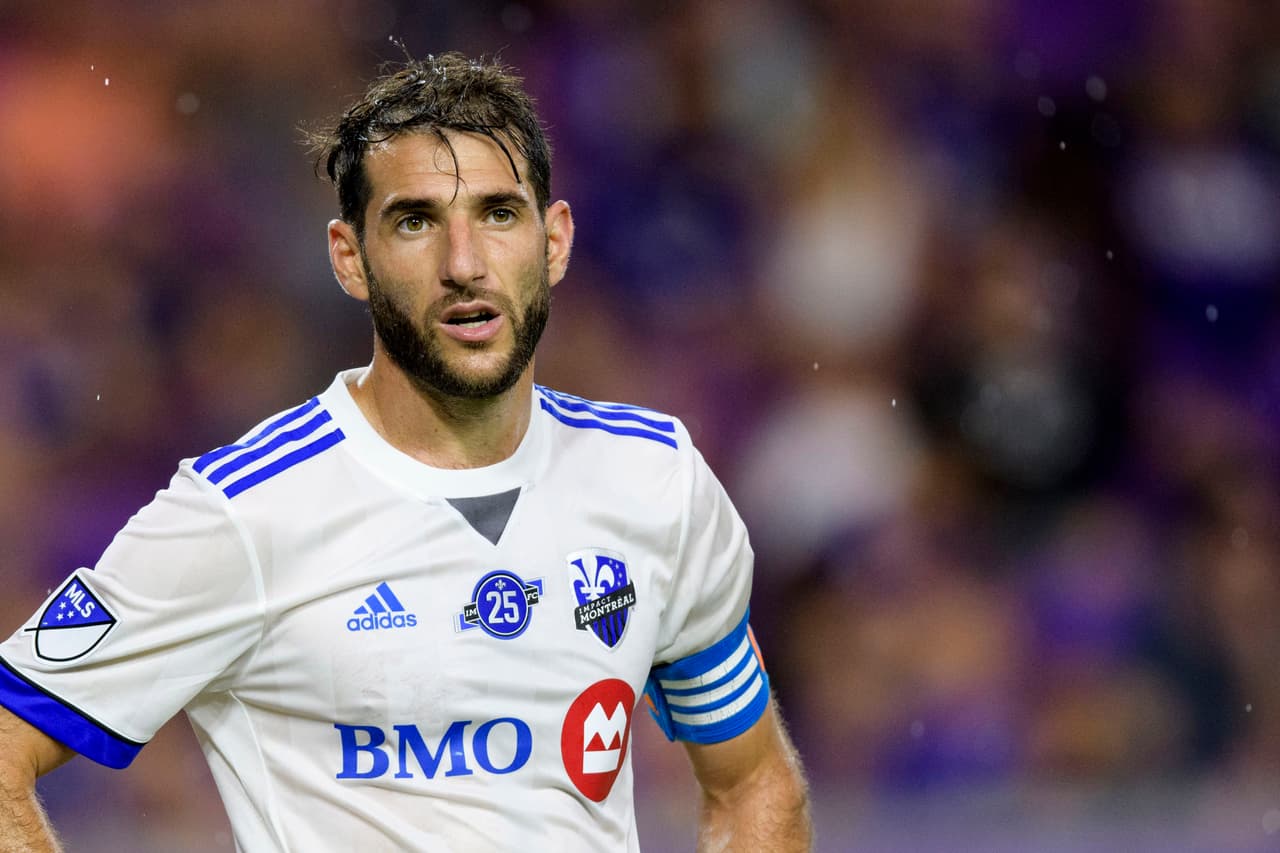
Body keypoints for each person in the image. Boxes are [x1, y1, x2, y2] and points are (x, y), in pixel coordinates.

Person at [0, 53, 811, 851]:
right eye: (416, 221)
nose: (464, 264)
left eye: (499, 213)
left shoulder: (656, 481)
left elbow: (753, 782)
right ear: (350, 256)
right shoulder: (244, 512)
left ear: (554, 240)